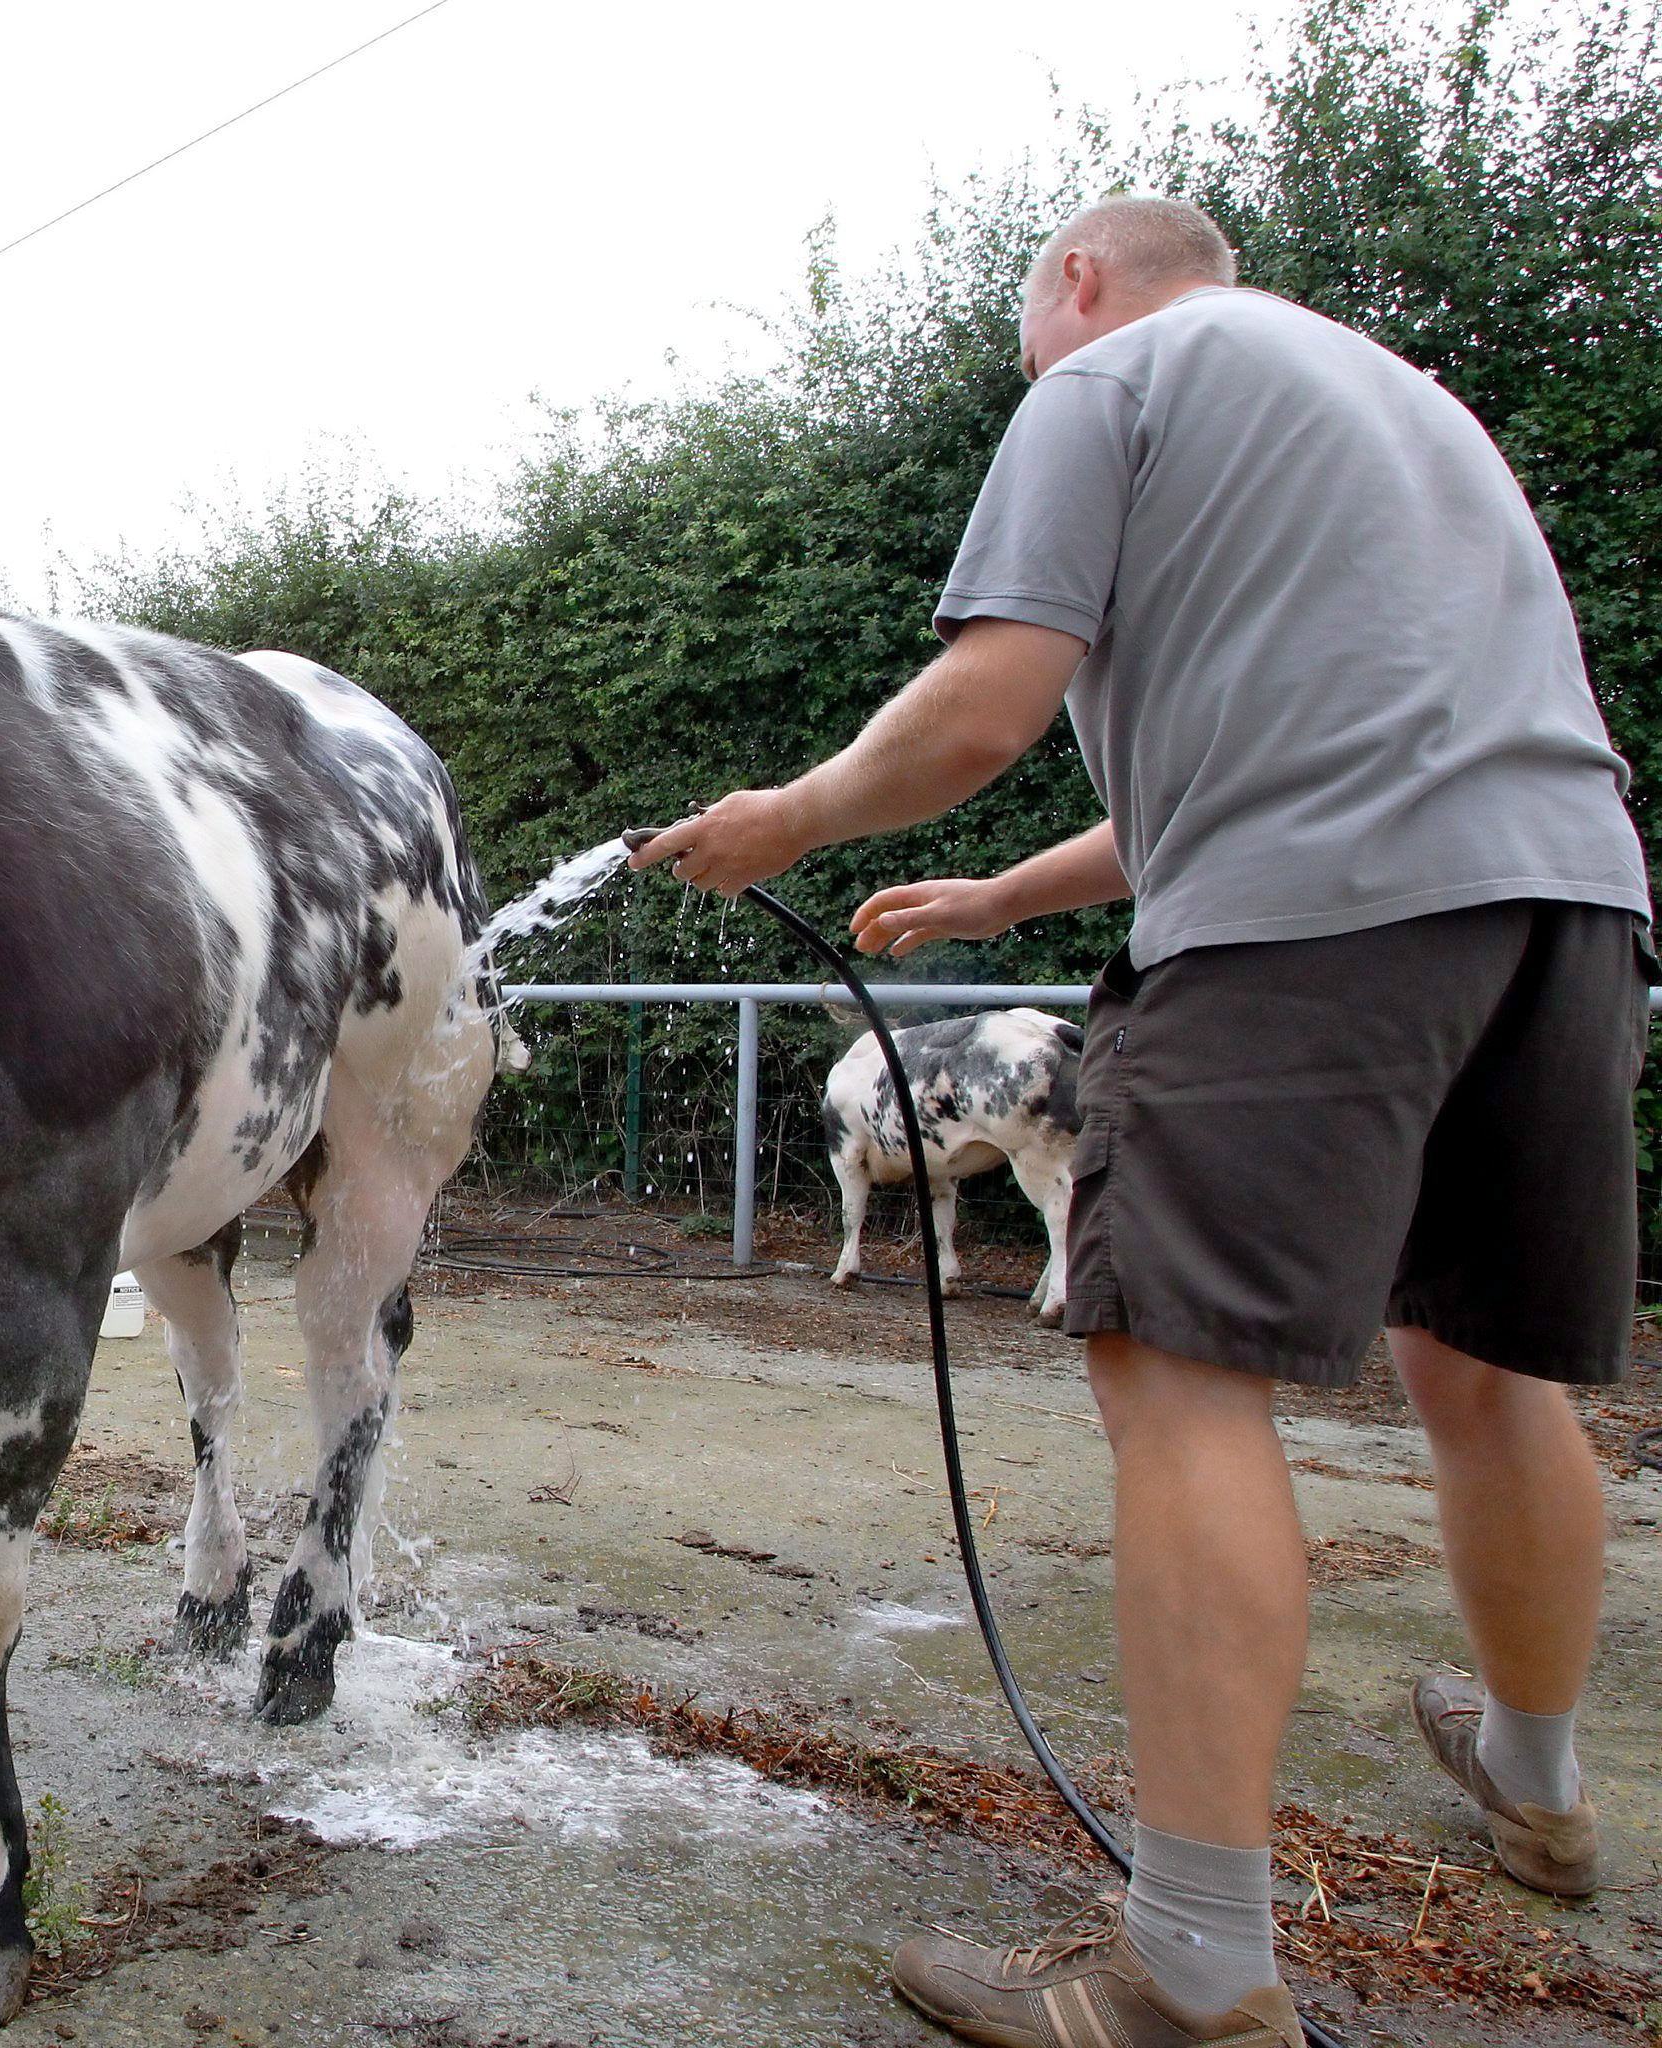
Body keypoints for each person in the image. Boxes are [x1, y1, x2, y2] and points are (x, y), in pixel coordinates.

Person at [635, 195, 1648, 2048]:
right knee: (1490, 1368)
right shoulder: (1406, 407)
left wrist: (785, 814)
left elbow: (980, 706)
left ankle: (1191, 1964)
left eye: (1036, 320)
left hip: (1307, 922)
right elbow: (1259, 755)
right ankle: (1539, 1783)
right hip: (1565, 907)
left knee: (1177, 1372)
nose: (1036, 355)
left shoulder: (1114, 377)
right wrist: (995, 905)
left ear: (1076, 284)